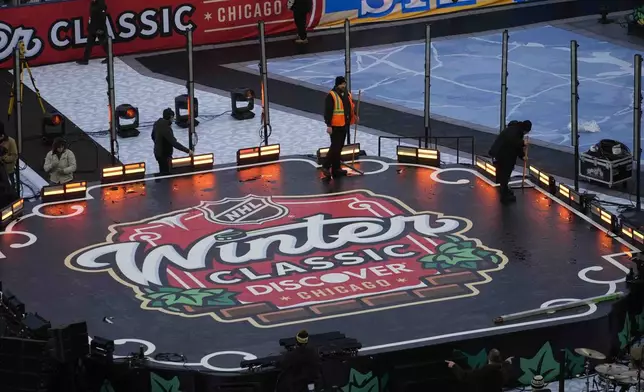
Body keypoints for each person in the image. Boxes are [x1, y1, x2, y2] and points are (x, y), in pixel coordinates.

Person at [321, 76, 358, 178]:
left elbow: (351, 106)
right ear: (338, 84)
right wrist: (328, 125)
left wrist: (355, 115)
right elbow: (327, 112)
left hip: (344, 124)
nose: (344, 86)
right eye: (342, 84)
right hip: (335, 126)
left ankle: (336, 169)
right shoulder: (331, 96)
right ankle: (326, 166)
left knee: (339, 147)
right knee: (335, 147)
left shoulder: (347, 94)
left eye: (344, 84)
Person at [488, 120, 532, 204]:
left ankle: (505, 189)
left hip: (502, 153)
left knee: (504, 173)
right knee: (505, 174)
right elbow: (513, 143)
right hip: (504, 155)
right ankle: (504, 196)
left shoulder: (515, 129)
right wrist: (523, 143)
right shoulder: (515, 132)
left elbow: (516, 147)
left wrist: (522, 156)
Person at [446, 349, 512, 392]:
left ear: (488, 358)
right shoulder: (503, 370)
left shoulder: (482, 372)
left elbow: (464, 376)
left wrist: (454, 366)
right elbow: (504, 365)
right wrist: (507, 362)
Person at [152, 108, 193, 175]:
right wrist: (188, 151)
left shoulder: (157, 123)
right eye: (173, 117)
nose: (173, 119)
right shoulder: (166, 128)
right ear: (170, 117)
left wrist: (158, 143)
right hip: (164, 154)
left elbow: (152, 136)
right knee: (167, 174)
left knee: (163, 170)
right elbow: (174, 143)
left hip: (158, 153)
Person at [77, 0, 109, 65]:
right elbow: (91, 16)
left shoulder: (101, 3)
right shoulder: (93, 3)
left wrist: (101, 28)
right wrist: (89, 26)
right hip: (93, 27)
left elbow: (103, 17)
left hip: (99, 27)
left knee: (103, 42)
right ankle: (85, 59)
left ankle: (110, 57)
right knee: (89, 43)